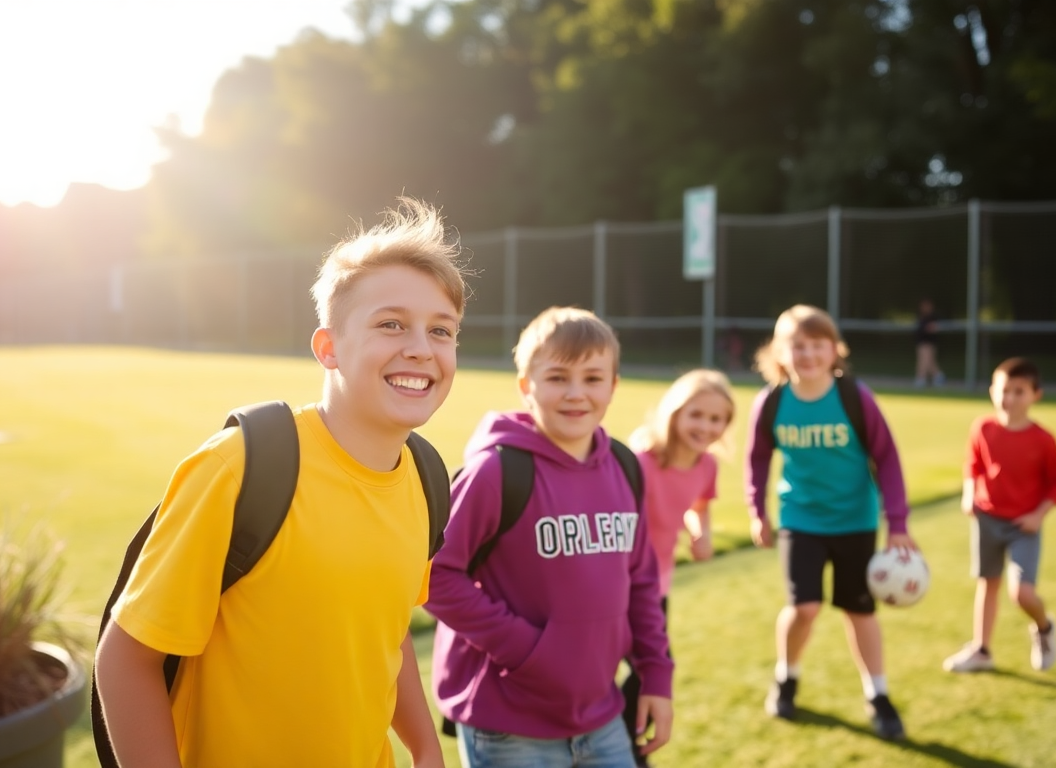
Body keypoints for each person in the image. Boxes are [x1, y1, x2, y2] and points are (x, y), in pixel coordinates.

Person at [93, 198, 468, 768]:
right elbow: (125, 659)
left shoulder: (426, 478)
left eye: (441, 330)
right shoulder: (243, 465)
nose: (421, 346)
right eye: (391, 324)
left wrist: (423, 747)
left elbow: (380, 634)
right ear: (329, 348)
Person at [427, 306, 674, 768]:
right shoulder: (497, 471)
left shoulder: (624, 467)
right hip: (508, 722)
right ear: (526, 386)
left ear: (614, 385)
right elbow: (435, 575)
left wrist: (656, 677)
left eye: (593, 378)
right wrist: (528, 651)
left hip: (602, 714)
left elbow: (641, 582)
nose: (576, 394)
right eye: (558, 377)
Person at [745, 304, 917, 741]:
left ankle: (877, 695)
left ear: (834, 350)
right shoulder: (771, 402)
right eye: (797, 346)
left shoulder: (854, 397)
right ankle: (787, 678)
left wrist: (896, 522)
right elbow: (758, 456)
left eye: (817, 345)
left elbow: (888, 457)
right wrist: (756, 510)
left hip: (855, 520)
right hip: (800, 519)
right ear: (780, 352)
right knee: (804, 607)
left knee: (859, 610)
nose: (807, 354)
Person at [621, 368, 735, 765]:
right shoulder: (641, 461)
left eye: (716, 419)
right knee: (596, 674)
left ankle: (629, 748)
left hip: (658, 588)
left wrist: (701, 532)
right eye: (697, 415)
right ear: (675, 413)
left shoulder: (708, 467)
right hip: (615, 585)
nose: (706, 426)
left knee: (648, 674)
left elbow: (698, 505)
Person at [943, 357, 1056, 674]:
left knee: (1022, 593)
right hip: (987, 519)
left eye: (1018, 391)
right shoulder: (982, 428)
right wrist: (970, 493)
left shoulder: (1043, 440)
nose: (1009, 398)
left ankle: (1044, 627)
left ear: (1035, 395)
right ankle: (982, 650)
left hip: (1023, 524)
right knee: (988, 584)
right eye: (1003, 390)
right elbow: (973, 465)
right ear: (991, 390)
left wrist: (1039, 515)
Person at [914, 298, 945, 387]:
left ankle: (922, 379)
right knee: (927, 362)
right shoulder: (921, 316)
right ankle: (937, 377)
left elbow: (935, 328)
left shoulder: (933, 317)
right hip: (921, 342)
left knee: (927, 361)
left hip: (929, 343)